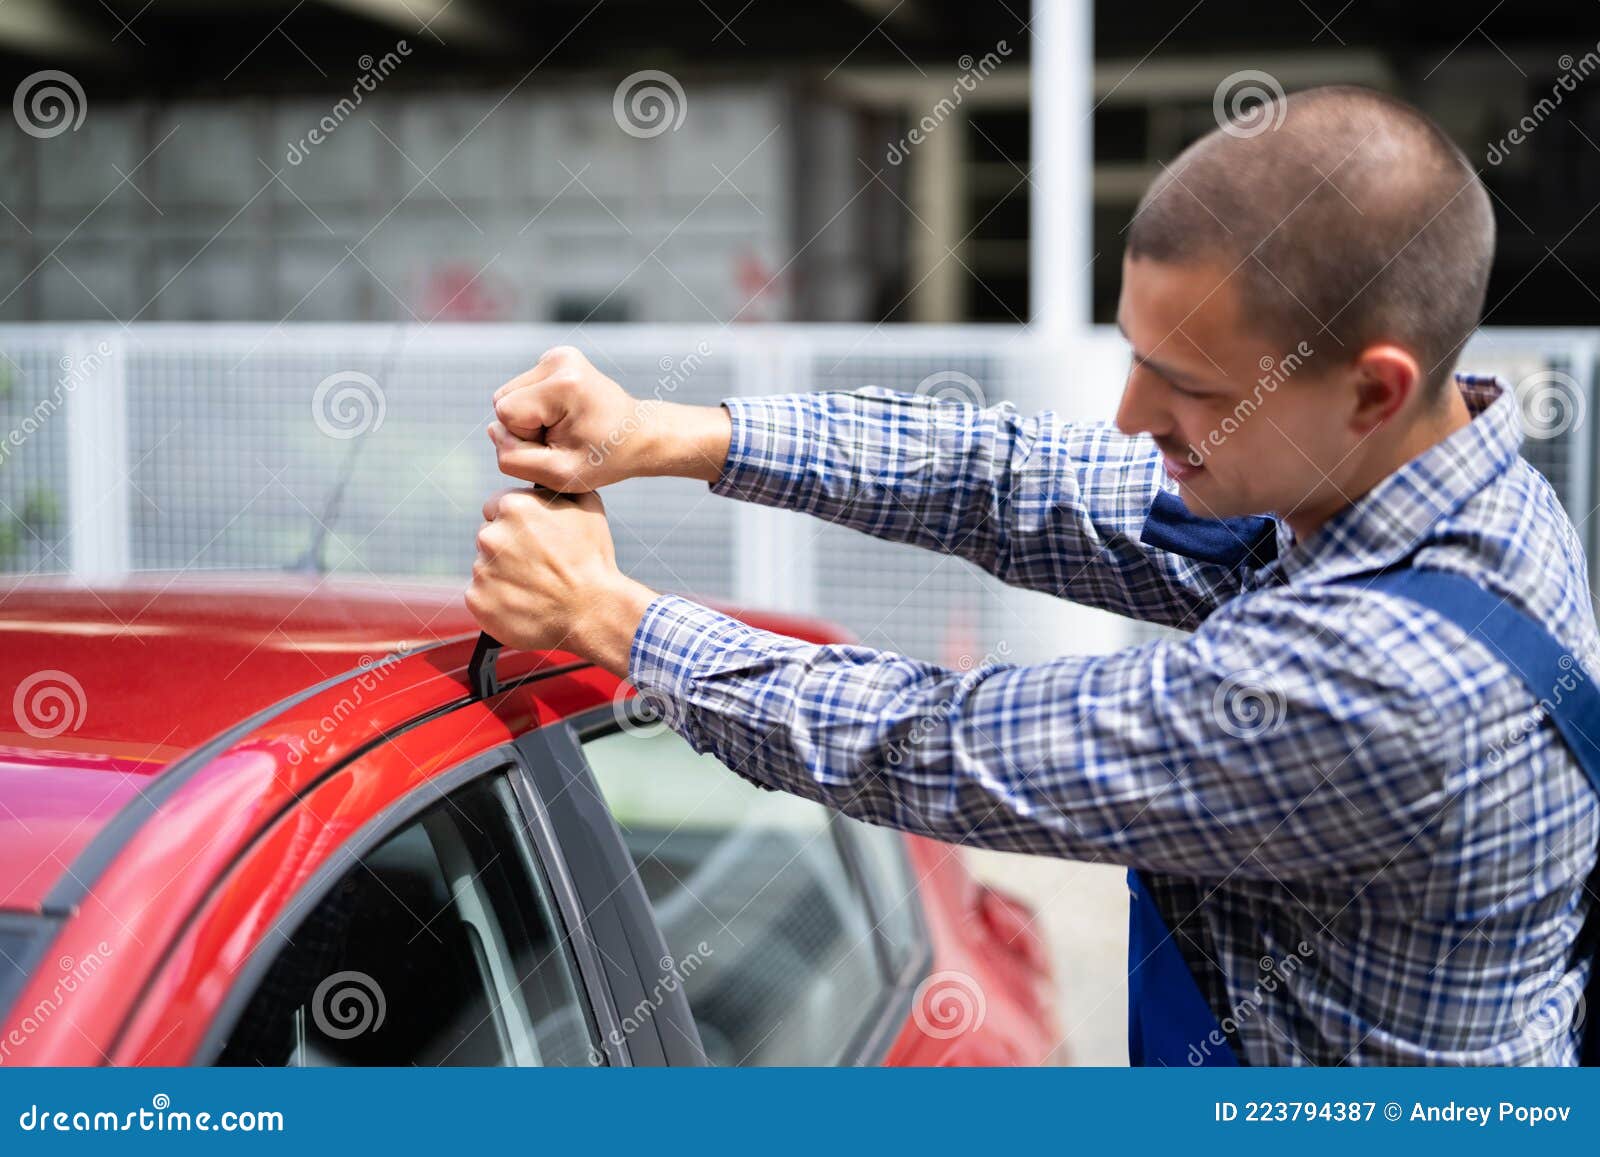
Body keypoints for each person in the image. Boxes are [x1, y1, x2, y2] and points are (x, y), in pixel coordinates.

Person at [466, 85, 1600, 1064]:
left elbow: (933, 746)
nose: (1131, 415)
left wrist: (610, 617)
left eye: (1189, 386)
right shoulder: (1433, 486)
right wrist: (659, 433)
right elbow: (1004, 478)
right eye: (1135, 359)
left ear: (1370, 389)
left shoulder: (1383, 687)